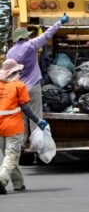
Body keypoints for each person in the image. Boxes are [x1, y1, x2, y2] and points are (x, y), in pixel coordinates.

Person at [7, 13, 69, 147]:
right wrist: (60, 22)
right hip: (32, 86)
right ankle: (37, 144)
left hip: (17, 88)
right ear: (25, 36)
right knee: (35, 116)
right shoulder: (30, 45)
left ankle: (22, 144)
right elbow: (47, 35)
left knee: (22, 117)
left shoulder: (10, 52)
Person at [0, 59, 48, 195]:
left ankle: (18, 184)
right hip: (13, 127)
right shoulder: (19, 86)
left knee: (9, 157)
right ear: (15, 72)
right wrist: (38, 121)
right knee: (12, 155)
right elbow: (26, 107)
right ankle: (2, 179)